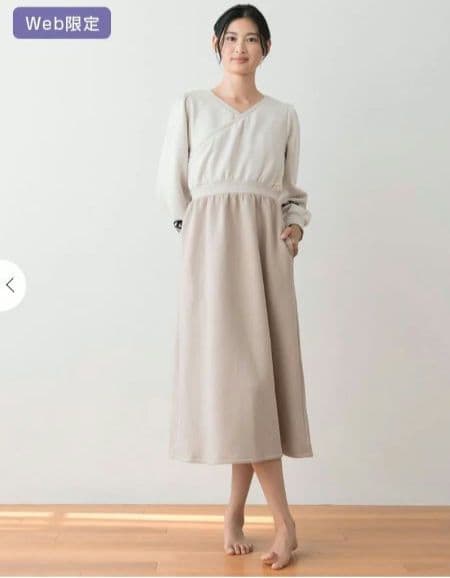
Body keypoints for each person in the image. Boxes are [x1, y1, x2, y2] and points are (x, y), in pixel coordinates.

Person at [155, 3, 313, 571]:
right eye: (231, 38)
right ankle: (283, 522)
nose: (240, 48)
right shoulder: (191, 106)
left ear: (265, 49)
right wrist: (195, 237)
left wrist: (293, 228)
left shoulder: (283, 116)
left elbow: (292, 192)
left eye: (251, 39)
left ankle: (238, 514)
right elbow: (171, 183)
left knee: (257, 387)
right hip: (211, 252)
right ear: (216, 45)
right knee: (238, 385)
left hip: (265, 253)